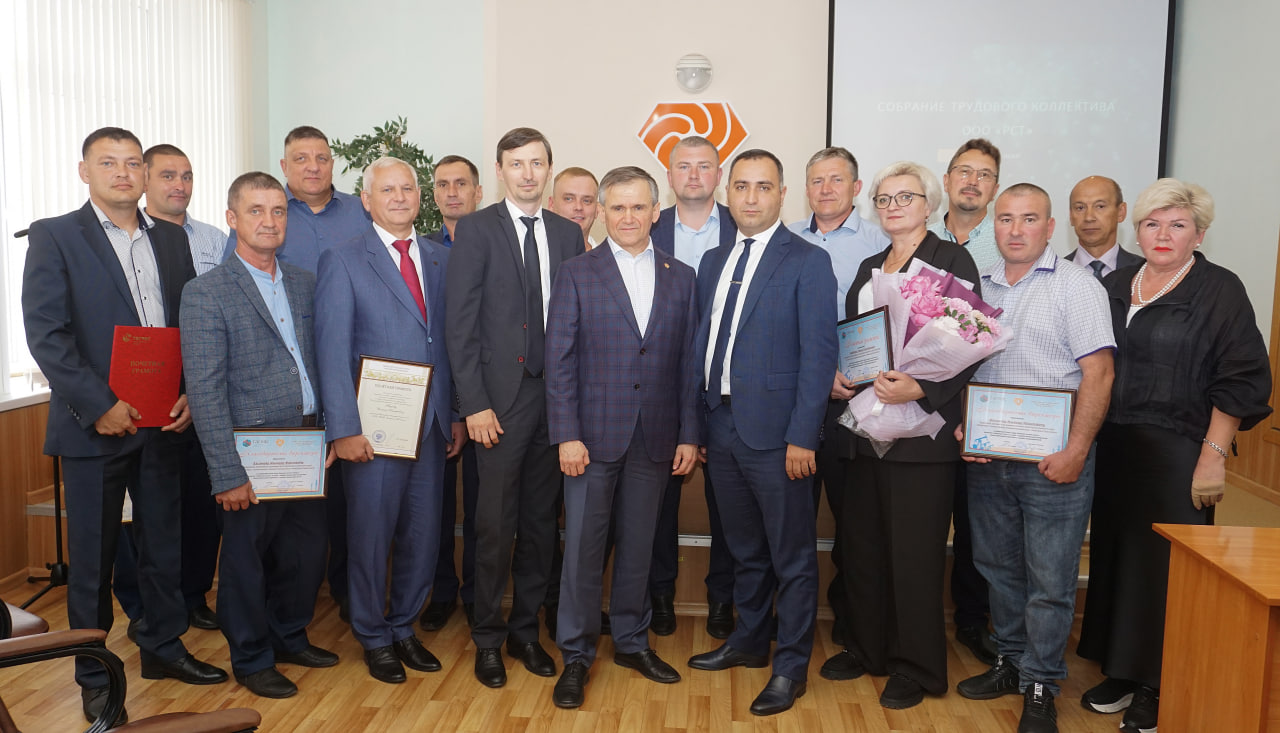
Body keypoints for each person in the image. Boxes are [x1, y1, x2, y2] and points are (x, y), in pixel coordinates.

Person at [21, 127, 226, 726]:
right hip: (93, 428)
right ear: (84, 171)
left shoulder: (171, 238)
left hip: (162, 422)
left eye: (132, 163)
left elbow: (187, 322)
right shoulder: (56, 236)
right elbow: (47, 335)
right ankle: (94, 676)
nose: (122, 173)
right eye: (107, 163)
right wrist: (100, 404)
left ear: (144, 174)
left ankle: (163, 648)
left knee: (163, 547)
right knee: (93, 561)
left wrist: (188, 390)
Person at [1077, 178, 1271, 732]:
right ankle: (1122, 669)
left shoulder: (1219, 289)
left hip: (1179, 451)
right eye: (1152, 224)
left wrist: (1213, 456)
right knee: (1117, 559)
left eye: (1178, 225)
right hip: (1113, 447)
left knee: (1168, 569)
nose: (1163, 235)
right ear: (1136, 230)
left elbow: (1241, 377)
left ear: (1199, 234)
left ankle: (1160, 684)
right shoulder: (1115, 283)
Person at [957, 183, 1115, 733]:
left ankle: (1042, 684)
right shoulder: (978, 288)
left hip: (1055, 463)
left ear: (1050, 228)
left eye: (1029, 219)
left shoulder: (1077, 287)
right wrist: (966, 425)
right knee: (997, 569)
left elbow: (1100, 373)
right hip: (990, 458)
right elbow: (961, 366)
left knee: (1049, 580)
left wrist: (1078, 449)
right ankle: (1010, 661)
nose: (1016, 229)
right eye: (1005, 219)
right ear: (993, 226)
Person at [820, 161, 979, 710]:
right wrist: (840, 374)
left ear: (929, 204)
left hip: (921, 438)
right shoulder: (870, 266)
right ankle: (867, 649)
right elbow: (856, 339)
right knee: (862, 547)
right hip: (865, 429)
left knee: (914, 556)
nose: (892, 207)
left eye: (905, 197)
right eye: (884, 199)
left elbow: (969, 345)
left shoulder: (951, 260)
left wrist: (922, 388)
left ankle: (917, 666)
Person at [687, 149, 837, 717]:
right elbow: (702, 347)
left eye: (764, 187)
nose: (751, 198)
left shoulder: (808, 261)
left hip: (779, 437)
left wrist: (804, 436)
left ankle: (790, 667)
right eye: (742, 186)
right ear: (727, 192)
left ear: (782, 195)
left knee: (791, 558)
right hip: (721, 427)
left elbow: (819, 356)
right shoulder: (712, 261)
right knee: (745, 550)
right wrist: (699, 424)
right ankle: (749, 641)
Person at [544, 166, 701, 708]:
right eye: (617, 207)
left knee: (639, 547)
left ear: (656, 211)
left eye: (638, 207)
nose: (628, 217)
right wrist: (566, 434)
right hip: (590, 440)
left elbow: (688, 364)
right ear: (601, 213)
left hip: (655, 438)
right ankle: (576, 654)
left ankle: (633, 642)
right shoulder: (576, 273)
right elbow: (559, 361)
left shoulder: (682, 277)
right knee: (583, 552)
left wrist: (689, 433)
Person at [180, 172, 337, 699]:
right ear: (232, 218)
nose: (269, 221)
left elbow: (323, 361)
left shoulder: (305, 283)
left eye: (278, 210)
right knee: (246, 561)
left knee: (305, 554)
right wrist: (226, 472)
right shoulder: (205, 293)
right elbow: (204, 390)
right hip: (250, 450)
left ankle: (289, 636)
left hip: (307, 444)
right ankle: (251, 657)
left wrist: (331, 431)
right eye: (255, 211)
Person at [315, 156, 464, 684]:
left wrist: (455, 413)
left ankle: (404, 626)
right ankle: (373, 635)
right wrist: (343, 429)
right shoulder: (343, 260)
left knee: (423, 536)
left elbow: (450, 342)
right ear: (366, 200)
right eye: (387, 190)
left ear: (420, 198)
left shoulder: (441, 259)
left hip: (431, 426)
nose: (399, 197)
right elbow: (331, 350)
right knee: (371, 537)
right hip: (372, 431)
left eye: (407, 189)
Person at [445, 127, 584, 688]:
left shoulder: (568, 233)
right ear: (500, 170)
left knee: (540, 524)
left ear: (549, 169)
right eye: (517, 164)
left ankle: (526, 632)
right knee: (494, 526)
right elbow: (459, 326)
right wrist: (473, 405)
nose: (528, 174)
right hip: (498, 405)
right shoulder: (477, 230)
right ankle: (487, 638)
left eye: (537, 163)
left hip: (556, 401)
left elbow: (576, 322)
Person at [225, 125, 372, 622]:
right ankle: (262, 631)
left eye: (322, 157)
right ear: (285, 166)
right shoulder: (262, 220)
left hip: (343, 391)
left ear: (334, 164)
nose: (313, 166)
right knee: (266, 535)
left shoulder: (359, 212)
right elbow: (233, 305)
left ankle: (335, 606)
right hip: (267, 408)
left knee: (331, 520)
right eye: (301, 158)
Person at [111, 143, 226, 637]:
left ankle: (193, 595)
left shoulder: (214, 240)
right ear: (144, 180)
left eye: (187, 175)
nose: (179, 185)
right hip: (135, 396)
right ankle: (143, 605)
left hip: (199, 392)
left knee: (200, 502)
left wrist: (199, 391)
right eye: (167, 175)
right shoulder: (122, 241)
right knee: (142, 511)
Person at [788, 145, 889, 644]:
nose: (826, 189)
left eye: (836, 180)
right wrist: (815, 373)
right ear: (805, 189)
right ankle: (791, 624)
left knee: (854, 522)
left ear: (856, 188)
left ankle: (852, 627)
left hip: (858, 402)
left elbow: (889, 325)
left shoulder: (881, 245)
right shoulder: (785, 241)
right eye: (817, 180)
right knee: (790, 521)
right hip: (794, 403)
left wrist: (841, 371)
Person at [648, 134, 737, 639]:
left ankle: (723, 597)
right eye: (684, 166)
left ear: (719, 175)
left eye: (705, 166)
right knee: (658, 501)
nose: (694, 175)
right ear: (669, 176)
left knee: (729, 502)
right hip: (662, 388)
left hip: (729, 390)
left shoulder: (745, 227)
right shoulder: (647, 225)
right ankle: (660, 593)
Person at [928, 137, 1004, 665]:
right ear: (947, 180)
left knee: (977, 522)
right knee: (924, 518)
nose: (972, 182)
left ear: (994, 188)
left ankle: (973, 621)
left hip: (983, 401)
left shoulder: (1006, 245)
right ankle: (918, 617)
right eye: (963, 171)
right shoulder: (917, 238)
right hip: (924, 404)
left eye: (984, 174)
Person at [421, 154, 484, 632]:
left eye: (461, 183)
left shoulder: (496, 243)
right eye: (443, 184)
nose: (452, 192)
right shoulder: (421, 250)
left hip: (486, 399)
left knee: (482, 509)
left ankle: (479, 595)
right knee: (436, 508)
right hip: (434, 400)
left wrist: (470, 406)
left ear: (479, 192)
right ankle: (441, 591)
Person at [1063, 176, 1144, 279]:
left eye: (1100, 206)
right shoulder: (1055, 273)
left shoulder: (1143, 271)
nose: (1089, 217)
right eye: (1080, 208)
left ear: (1121, 212)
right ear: (1071, 216)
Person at [547, 167, 599, 248]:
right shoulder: (531, 253)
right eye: (569, 199)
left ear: (597, 210)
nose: (578, 207)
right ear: (551, 205)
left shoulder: (609, 255)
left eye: (586, 201)